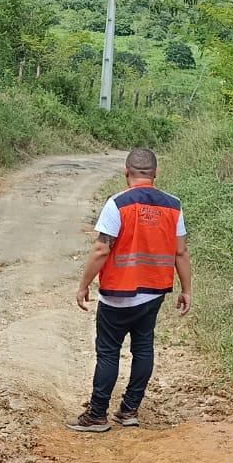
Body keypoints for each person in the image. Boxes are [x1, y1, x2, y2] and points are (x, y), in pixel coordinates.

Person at [70, 147, 191, 432]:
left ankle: (97, 414)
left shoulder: (117, 203)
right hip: (154, 291)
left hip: (117, 293)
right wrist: (187, 289)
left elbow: (101, 248)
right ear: (155, 174)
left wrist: (83, 284)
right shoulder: (173, 206)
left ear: (126, 173)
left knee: (109, 352)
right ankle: (129, 410)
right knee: (143, 347)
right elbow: (181, 252)